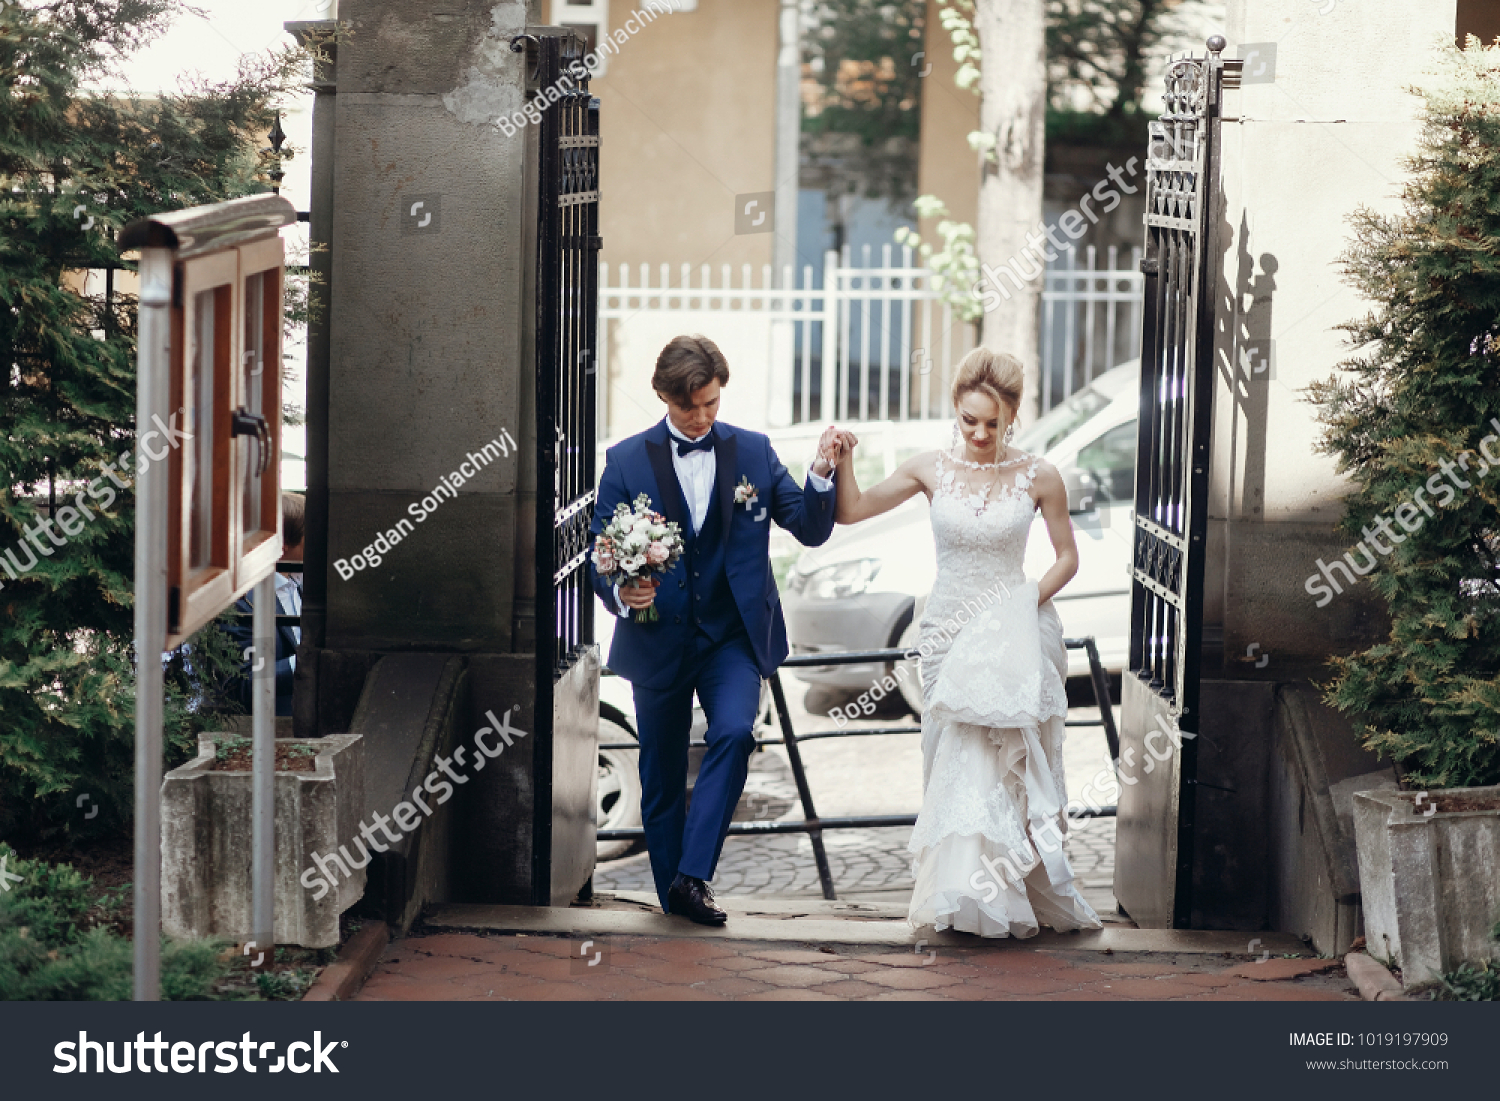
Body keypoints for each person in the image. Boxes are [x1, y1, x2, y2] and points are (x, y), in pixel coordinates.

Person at [830, 348, 1103, 937]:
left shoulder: (1042, 476)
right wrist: (844, 459)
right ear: (955, 409)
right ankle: (958, 895)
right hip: (949, 631)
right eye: (969, 420)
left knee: (1004, 764)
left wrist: (1019, 606)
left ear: (1013, 416)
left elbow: (1067, 560)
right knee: (955, 760)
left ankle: (1005, 896)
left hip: (1013, 627)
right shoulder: (930, 468)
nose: (980, 433)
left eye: (994, 423)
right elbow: (851, 511)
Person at [589, 334, 847, 925]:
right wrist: (622, 592)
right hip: (657, 637)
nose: (702, 417)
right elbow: (599, 555)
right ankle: (674, 900)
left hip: (732, 637)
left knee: (734, 733)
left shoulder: (753, 453)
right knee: (658, 773)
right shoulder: (626, 461)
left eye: (711, 403)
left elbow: (807, 527)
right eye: (690, 408)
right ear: (662, 397)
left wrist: (822, 471)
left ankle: (693, 875)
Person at [224, 492, 306, 718]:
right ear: (283, 546)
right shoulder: (239, 603)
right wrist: (304, 663)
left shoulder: (298, 584)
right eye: (309, 535)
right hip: (265, 727)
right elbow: (242, 682)